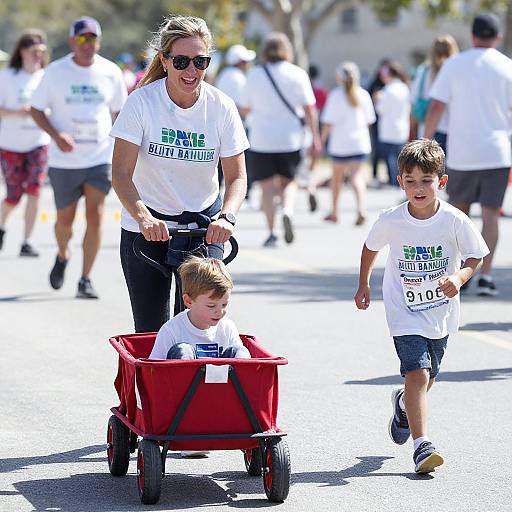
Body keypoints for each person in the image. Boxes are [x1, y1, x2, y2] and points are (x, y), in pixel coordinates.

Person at [354, 139, 489, 474]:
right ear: (400, 182)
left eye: (426, 181)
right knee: (418, 372)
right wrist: (364, 284)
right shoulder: (392, 219)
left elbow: (476, 255)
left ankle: (402, 404)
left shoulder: (455, 220)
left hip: (440, 312)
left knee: (428, 378)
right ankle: (421, 446)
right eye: (410, 180)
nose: (418, 188)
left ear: (441, 182)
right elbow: (370, 248)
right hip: (403, 311)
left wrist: (459, 277)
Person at [110, 15, 248, 333]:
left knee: (204, 324)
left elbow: (237, 177)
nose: (191, 71)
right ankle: (154, 383)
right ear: (164, 59)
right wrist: (143, 217)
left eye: (200, 62)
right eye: (182, 61)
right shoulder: (142, 103)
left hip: (204, 227)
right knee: (151, 330)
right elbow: (120, 173)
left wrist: (227, 217)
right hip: (147, 229)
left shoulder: (221, 106)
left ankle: (197, 382)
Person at [31, 16, 127, 299]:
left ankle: (85, 278)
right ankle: (63, 254)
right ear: (73, 40)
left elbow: (119, 113)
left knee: (95, 217)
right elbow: (37, 109)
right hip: (64, 160)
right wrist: (57, 134)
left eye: (93, 38)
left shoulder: (110, 72)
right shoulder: (55, 72)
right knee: (65, 222)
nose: (88, 44)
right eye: (83, 38)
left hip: (98, 157)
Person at [424, 12, 512, 297]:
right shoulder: (506, 66)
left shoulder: (455, 64)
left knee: (458, 215)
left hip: (462, 153)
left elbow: (436, 106)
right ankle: (485, 274)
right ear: (497, 37)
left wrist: (425, 141)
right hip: (497, 152)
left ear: (472, 35)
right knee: (490, 216)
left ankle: (460, 272)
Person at [239, 32, 321, 247]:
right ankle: (287, 210)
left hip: (261, 138)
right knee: (289, 182)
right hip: (290, 138)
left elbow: (246, 108)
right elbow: (309, 109)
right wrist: (316, 137)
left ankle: (271, 231)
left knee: (266, 187)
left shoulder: (254, 75)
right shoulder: (297, 74)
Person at [0, 30, 50, 257]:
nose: (38, 56)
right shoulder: (7, 76)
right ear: (22, 52)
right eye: (33, 52)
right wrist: (18, 112)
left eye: (41, 52)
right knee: (13, 195)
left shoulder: (47, 76)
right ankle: (1, 226)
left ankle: (27, 241)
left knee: (34, 190)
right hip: (11, 144)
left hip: (38, 142)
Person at [149, 256, 250, 360]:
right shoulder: (171, 330)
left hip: (223, 375)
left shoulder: (227, 327)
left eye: (224, 304)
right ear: (188, 301)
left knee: (240, 351)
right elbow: (153, 368)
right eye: (211, 306)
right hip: (184, 376)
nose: (220, 312)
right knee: (183, 350)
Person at [321, 61, 375, 225]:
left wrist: (321, 140)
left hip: (340, 144)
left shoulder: (336, 95)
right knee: (357, 177)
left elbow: (328, 122)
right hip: (359, 142)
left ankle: (335, 212)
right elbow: (369, 120)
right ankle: (361, 209)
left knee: (336, 179)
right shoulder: (363, 94)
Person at [410, 35, 459, 153]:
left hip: (427, 130)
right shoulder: (456, 70)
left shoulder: (424, 71)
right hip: (454, 130)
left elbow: (413, 97)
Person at [374, 61, 410, 187]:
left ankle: (394, 182)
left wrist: (377, 100)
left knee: (390, 158)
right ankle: (401, 182)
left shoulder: (387, 90)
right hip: (402, 127)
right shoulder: (404, 88)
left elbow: (381, 109)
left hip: (389, 129)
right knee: (400, 158)